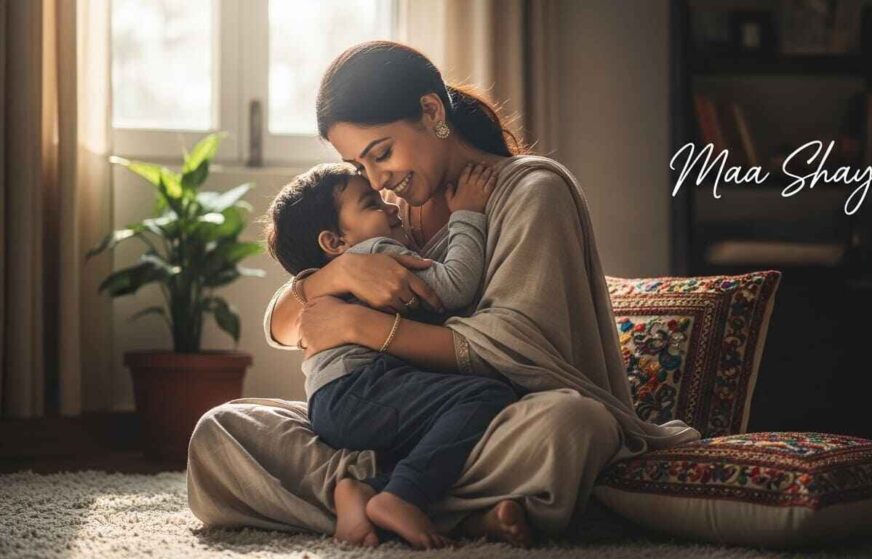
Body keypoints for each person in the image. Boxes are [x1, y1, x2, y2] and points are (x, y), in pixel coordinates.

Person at [186, 40, 700, 547]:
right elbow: (283, 328)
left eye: (381, 154)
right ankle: (434, 505)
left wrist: (361, 327)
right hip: (407, 418)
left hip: (496, 422)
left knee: (572, 427)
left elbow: (510, 350)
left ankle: (366, 493)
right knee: (222, 430)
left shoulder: (533, 192)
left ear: (431, 111)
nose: (378, 178)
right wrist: (333, 278)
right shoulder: (390, 213)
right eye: (361, 166)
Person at [262, 161, 518, 549]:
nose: (391, 206)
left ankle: (364, 492)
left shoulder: (350, 258)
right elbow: (454, 286)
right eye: (371, 204)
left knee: (426, 429)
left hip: (336, 400)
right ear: (334, 243)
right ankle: (403, 497)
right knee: (484, 395)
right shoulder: (379, 252)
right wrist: (468, 213)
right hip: (361, 388)